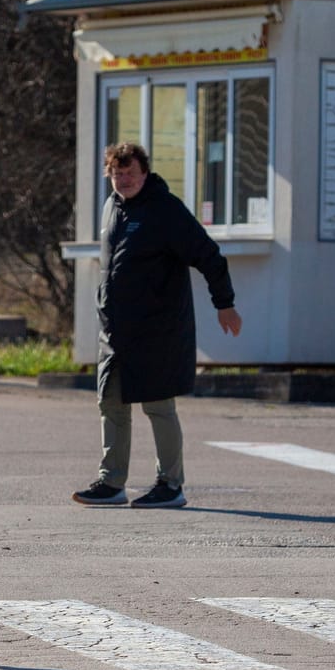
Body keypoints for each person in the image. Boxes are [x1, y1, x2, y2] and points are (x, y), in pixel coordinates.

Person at [72, 142, 243, 510]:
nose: (124, 180)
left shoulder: (165, 210)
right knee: (111, 403)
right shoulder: (112, 207)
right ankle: (111, 482)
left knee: (158, 405)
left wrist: (225, 304)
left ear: (145, 173)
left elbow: (209, 256)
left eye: (130, 173)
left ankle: (170, 484)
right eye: (117, 174)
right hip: (116, 332)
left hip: (157, 331)